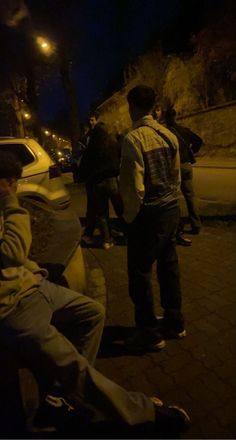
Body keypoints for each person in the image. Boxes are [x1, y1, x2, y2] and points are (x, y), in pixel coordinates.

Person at [0, 151, 191, 436]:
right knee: (75, 369)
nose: (15, 188)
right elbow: (11, 252)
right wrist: (10, 203)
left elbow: (15, 259)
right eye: (13, 183)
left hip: (30, 285)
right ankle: (144, 413)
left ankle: (60, 397)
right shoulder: (7, 203)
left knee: (92, 312)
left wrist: (34, 271)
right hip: (11, 307)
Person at [119, 85, 186, 353]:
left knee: (140, 273)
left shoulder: (133, 139)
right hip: (171, 210)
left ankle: (148, 332)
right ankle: (174, 322)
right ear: (153, 106)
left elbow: (134, 188)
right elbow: (176, 176)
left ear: (132, 107)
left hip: (148, 216)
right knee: (169, 268)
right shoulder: (168, 135)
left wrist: (129, 218)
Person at [80, 117, 123, 249]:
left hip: (98, 183)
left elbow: (84, 166)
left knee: (102, 213)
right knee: (120, 210)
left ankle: (107, 240)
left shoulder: (91, 148)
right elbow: (119, 159)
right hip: (112, 181)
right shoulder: (113, 144)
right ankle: (127, 234)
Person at [165, 108, 203, 239]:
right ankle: (196, 225)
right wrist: (191, 152)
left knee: (173, 197)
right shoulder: (185, 131)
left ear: (165, 118)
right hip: (186, 165)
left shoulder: (165, 133)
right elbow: (199, 141)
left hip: (173, 168)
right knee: (190, 196)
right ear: (175, 116)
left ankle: (177, 226)